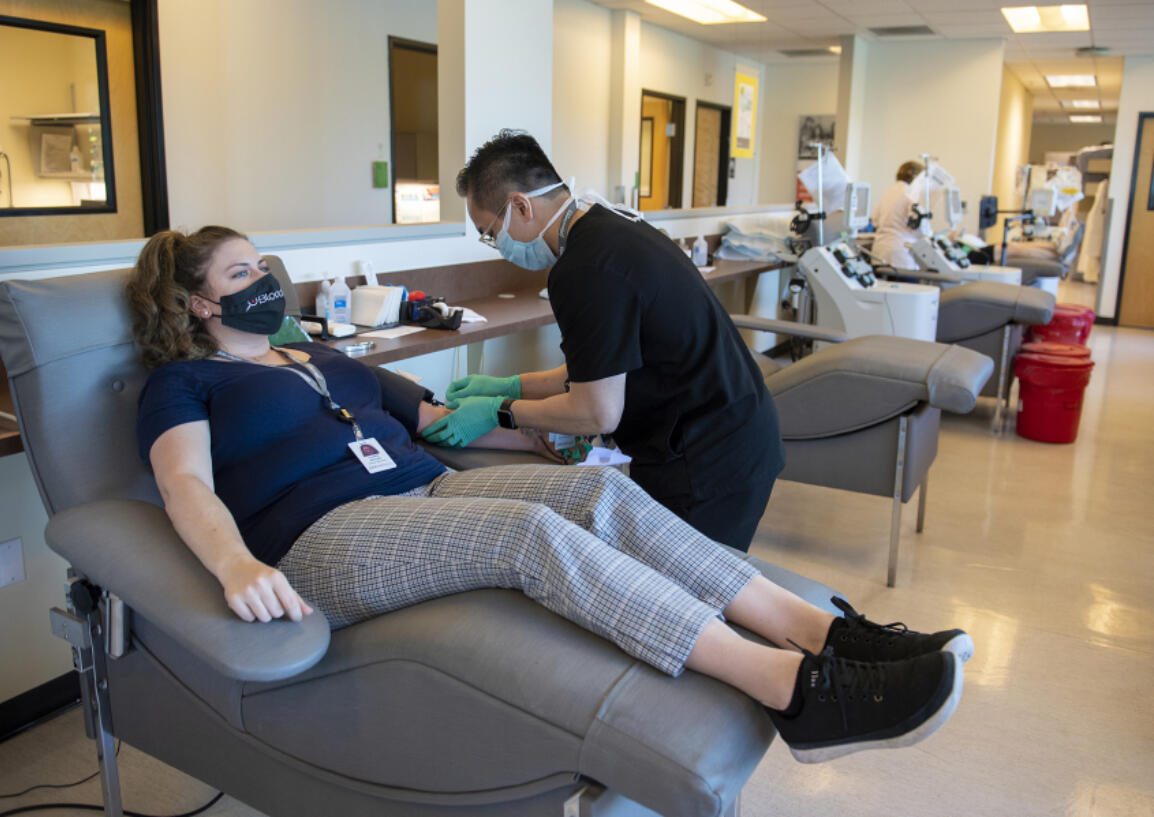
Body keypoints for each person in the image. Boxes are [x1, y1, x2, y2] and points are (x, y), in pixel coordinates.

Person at [128, 224, 972, 764]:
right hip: (318, 537)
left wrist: (549, 435)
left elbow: (433, 419)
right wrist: (235, 562)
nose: (265, 278)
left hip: (421, 492)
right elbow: (185, 485)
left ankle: (830, 631)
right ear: (200, 300)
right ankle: (792, 689)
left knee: (603, 498)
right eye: (243, 271)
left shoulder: (320, 357)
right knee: (528, 532)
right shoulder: (184, 384)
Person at [421, 130, 784, 553]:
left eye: (490, 233)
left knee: (685, 605)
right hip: (736, 429)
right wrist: (511, 385)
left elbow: (596, 412)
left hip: (707, 460)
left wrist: (500, 412)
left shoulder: (583, 270)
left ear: (520, 205)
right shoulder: (611, 227)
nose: (498, 247)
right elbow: (596, 371)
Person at [870, 160, 933, 270]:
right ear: (915, 177)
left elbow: (875, 221)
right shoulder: (912, 195)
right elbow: (923, 230)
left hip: (880, 253)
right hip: (902, 256)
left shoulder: (888, 193)